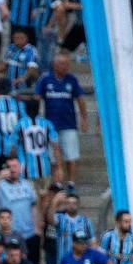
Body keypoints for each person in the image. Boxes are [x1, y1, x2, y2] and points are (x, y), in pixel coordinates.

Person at [34, 53, 88, 187]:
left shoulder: (72, 80)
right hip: (51, 125)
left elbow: (80, 99)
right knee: (52, 156)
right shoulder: (46, 79)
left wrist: (84, 118)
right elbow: (36, 98)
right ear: (55, 65)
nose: (66, 67)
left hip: (69, 124)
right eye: (62, 64)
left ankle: (71, 183)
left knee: (71, 155)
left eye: (67, 64)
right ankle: (57, 182)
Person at [0, 160, 41, 264]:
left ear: (20, 168)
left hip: (29, 234)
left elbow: (33, 205)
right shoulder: (0, 185)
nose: (12, 169)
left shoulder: (27, 184)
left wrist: (37, 228)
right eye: (9, 167)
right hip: (10, 236)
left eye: (15, 166)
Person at [9, 99, 62, 195]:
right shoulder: (47, 124)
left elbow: (13, 148)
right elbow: (56, 147)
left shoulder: (20, 125)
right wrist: (59, 167)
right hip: (45, 168)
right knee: (45, 197)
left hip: (26, 169)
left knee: (31, 199)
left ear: (25, 109)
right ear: (39, 109)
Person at [0, 79, 28, 172]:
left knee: (3, 177)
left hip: (0, 148)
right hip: (17, 148)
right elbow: (24, 126)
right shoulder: (19, 104)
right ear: (10, 89)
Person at [3, 28, 40, 94]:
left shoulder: (31, 50)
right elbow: (4, 65)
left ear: (26, 38)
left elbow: (32, 68)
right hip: (9, 86)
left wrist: (22, 78)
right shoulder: (10, 48)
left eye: (20, 38)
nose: (18, 40)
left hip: (23, 87)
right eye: (16, 38)